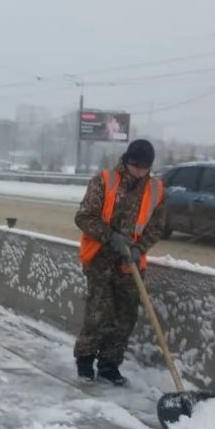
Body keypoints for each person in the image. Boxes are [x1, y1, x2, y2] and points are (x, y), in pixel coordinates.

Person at [74, 139, 166, 386]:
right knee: (98, 313)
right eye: (135, 166)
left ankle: (109, 365)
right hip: (100, 258)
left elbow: (157, 226)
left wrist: (139, 248)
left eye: (145, 167)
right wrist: (110, 237)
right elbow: (84, 218)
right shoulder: (104, 182)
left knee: (125, 316)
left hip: (130, 263)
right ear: (127, 161)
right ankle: (85, 360)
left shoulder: (156, 189)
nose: (140, 171)